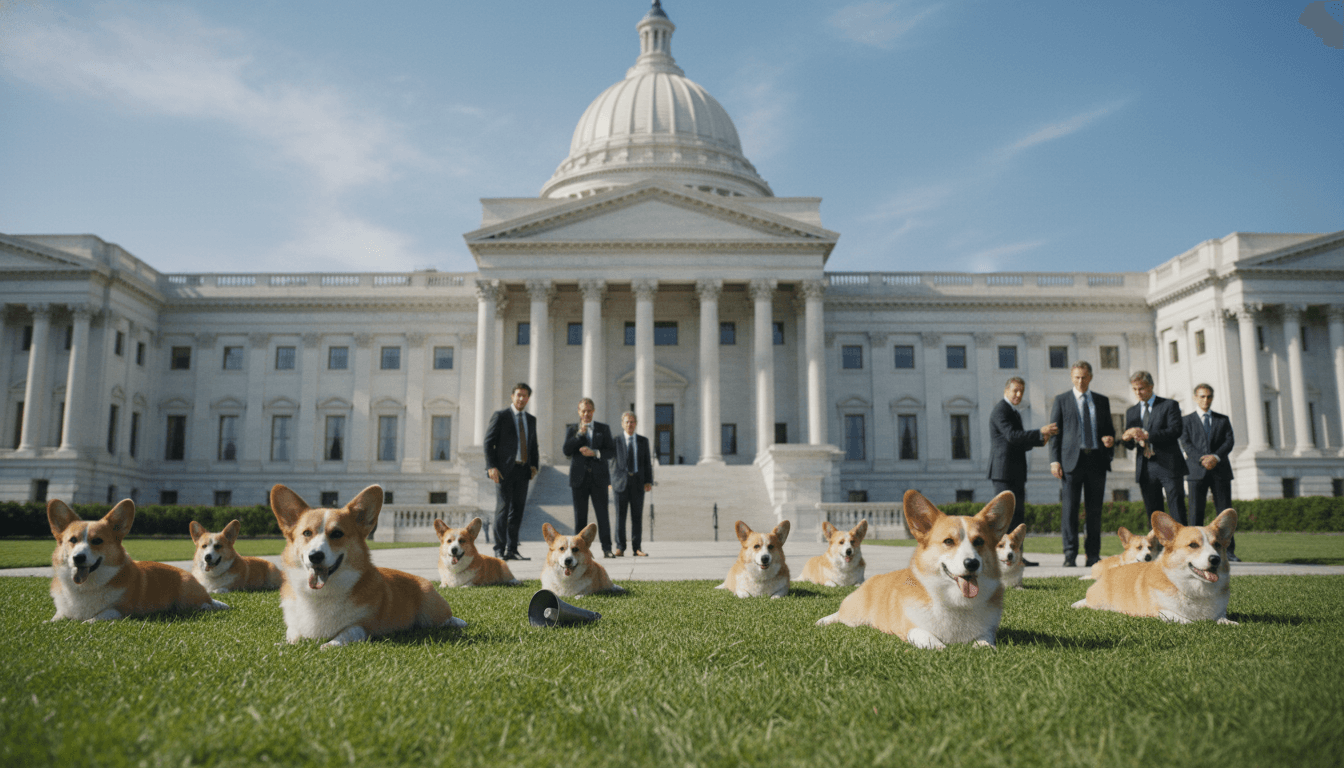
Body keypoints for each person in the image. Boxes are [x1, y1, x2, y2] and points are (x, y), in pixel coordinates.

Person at [1049, 361, 1115, 567]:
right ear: (1071, 377)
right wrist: (1054, 460)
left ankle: (1093, 555)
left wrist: (1109, 440)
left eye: (1084, 377)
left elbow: (1109, 431)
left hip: (1096, 460)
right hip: (1071, 462)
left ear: (1091, 377)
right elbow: (1054, 434)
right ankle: (1070, 555)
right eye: (1077, 377)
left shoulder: (1102, 401)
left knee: (1094, 511)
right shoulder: (1062, 400)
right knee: (1070, 511)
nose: (1081, 381)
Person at [988, 376, 1059, 566]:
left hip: (1016, 471)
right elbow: (1012, 437)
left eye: (1021, 391)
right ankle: (1000, 559)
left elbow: (1018, 443)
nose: (1018, 394)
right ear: (1006, 391)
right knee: (1003, 518)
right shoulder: (1000, 410)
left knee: (1017, 517)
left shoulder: (1014, 412)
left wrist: (1039, 440)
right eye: (1015, 390)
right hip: (1003, 473)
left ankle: (1017, 557)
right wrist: (1038, 433)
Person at [1180, 383, 1239, 560]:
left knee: (1224, 513)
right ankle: (1194, 551)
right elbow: (1186, 444)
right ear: (1195, 398)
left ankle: (1228, 552)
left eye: (1208, 396)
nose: (1205, 400)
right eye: (1202, 396)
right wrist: (1202, 459)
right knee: (1195, 513)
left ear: (1212, 398)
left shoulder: (1223, 419)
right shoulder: (1186, 421)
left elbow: (1229, 442)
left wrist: (1215, 457)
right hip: (1196, 471)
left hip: (1220, 471)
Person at [1121, 371, 1188, 524]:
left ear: (1151, 386)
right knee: (1154, 513)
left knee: (1176, 508)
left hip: (1169, 465)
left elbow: (1175, 431)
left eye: (1141, 388)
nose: (1138, 392)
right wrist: (1126, 438)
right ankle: (1157, 546)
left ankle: (1181, 545)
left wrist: (1147, 435)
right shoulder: (1131, 412)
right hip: (1146, 467)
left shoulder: (1169, 405)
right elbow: (1131, 445)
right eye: (1135, 389)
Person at [484, 383, 539, 561]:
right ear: (512, 396)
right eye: (518, 395)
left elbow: (533, 445)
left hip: (522, 470)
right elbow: (488, 442)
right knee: (503, 509)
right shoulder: (501, 416)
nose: (521, 398)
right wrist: (491, 466)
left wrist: (534, 465)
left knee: (517, 511)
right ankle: (499, 549)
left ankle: (512, 549)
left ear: (528, 398)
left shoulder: (531, 419)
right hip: (503, 471)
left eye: (524, 396)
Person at [563, 397, 615, 557]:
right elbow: (566, 450)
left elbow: (611, 451)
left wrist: (595, 453)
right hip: (579, 479)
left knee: (602, 515)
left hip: (599, 479)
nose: (586, 414)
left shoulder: (603, 429)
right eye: (583, 411)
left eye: (589, 411)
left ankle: (607, 549)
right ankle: (579, 551)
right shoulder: (573, 429)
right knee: (580, 517)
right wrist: (579, 435)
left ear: (593, 411)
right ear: (579, 412)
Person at [609, 411, 654, 557]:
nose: (629, 424)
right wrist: (609, 481)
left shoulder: (643, 441)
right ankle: (620, 547)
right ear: (622, 424)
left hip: (637, 483)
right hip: (620, 483)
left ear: (636, 423)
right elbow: (609, 462)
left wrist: (648, 481)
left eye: (632, 421)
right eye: (627, 422)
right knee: (620, 517)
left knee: (637, 517)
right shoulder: (615, 440)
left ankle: (637, 548)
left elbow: (647, 462)